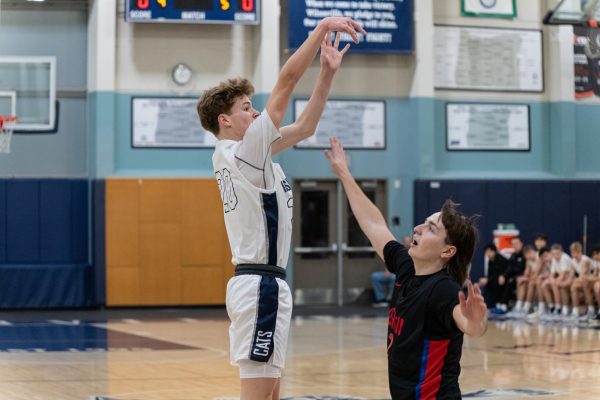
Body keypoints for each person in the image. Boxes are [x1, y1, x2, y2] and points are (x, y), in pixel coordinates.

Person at [196, 17, 366, 400]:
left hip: (267, 283)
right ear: (225, 121)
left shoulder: (250, 153)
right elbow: (286, 83)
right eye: (246, 108)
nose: (255, 113)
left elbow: (305, 127)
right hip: (260, 286)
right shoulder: (242, 153)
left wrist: (326, 73)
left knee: (271, 394)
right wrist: (321, 29)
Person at [324, 137, 487, 399]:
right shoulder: (406, 267)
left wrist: (476, 321)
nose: (418, 229)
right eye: (424, 222)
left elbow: (469, 325)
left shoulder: (443, 289)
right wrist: (344, 174)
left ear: (447, 251)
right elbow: (374, 225)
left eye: (431, 228)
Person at [371, 235, 410, 307]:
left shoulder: (413, 252)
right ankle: (381, 299)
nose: (407, 243)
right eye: (405, 241)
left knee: (394, 278)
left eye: (408, 241)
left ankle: (391, 299)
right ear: (403, 242)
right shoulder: (399, 251)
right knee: (375, 276)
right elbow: (389, 261)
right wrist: (387, 271)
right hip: (391, 272)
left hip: (400, 275)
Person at [506, 244, 537, 317]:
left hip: (538, 280)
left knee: (530, 283)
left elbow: (536, 274)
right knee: (521, 282)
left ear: (531, 252)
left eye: (527, 256)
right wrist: (523, 277)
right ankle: (519, 306)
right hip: (533, 279)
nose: (527, 258)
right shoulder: (528, 261)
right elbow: (527, 273)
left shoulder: (539, 258)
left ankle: (526, 307)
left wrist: (527, 278)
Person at [478, 243, 510, 313]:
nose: (488, 253)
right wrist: (484, 280)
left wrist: (488, 280)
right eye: (486, 252)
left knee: (499, 281)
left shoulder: (501, 259)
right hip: (496, 279)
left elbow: (500, 274)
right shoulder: (490, 261)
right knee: (487, 284)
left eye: (490, 251)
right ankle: (494, 304)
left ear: (494, 251)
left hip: (506, 278)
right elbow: (490, 274)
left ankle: (502, 305)